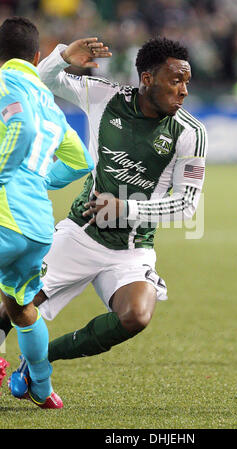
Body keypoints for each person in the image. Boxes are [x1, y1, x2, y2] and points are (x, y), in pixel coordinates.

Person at [1, 35, 207, 378]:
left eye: (186, 81)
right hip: (80, 234)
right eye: (175, 81)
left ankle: (39, 361)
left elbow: (186, 205)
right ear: (146, 79)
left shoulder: (189, 132)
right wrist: (64, 56)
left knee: (137, 315)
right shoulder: (104, 96)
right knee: (15, 304)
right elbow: (43, 80)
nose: (184, 90)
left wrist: (125, 209)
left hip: (131, 249)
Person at [0, 17, 94, 407]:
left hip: (6, 213)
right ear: (36, 55)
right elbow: (81, 160)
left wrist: (6, 174)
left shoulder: (5, 84)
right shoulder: (49, 103)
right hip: (38, 224)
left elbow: (17, 125)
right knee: (21, 308)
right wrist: (38, 181)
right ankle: (42, 387)